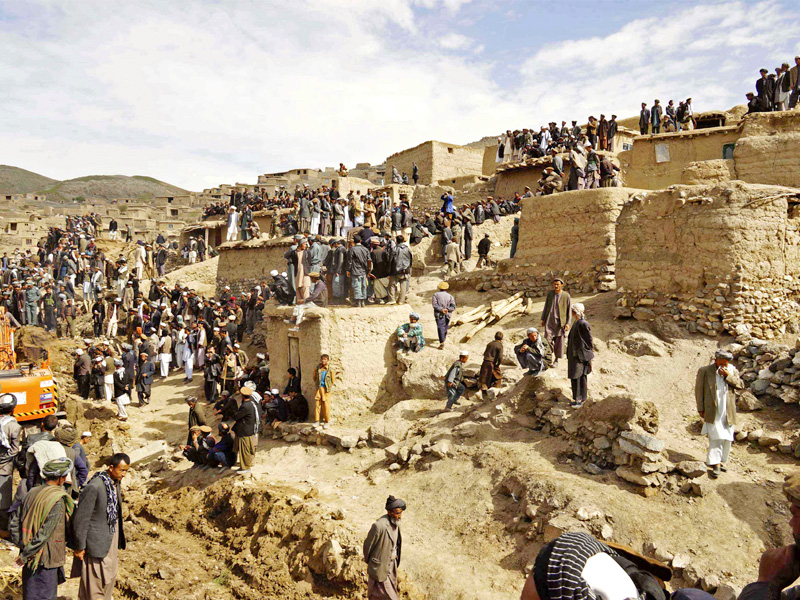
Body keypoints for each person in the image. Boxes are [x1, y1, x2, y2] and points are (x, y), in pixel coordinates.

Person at [11, 458, 74, 600]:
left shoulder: (31, 492)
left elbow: (14, 522)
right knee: (45, 595)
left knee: (30, 593)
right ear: (61, 478)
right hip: (47, 557)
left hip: (29, 555)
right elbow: (45, 533)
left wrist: (23, 546)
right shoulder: (57, 499)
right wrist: (26, 553)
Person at [73, 453, 130, 600]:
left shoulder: (114, 482)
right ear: (111, 468)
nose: (124, 474)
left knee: (109, 577)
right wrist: (79, 546)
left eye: (126, 471)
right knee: (95, 582)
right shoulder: (95, 486)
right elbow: (82, 518)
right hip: (95, 543)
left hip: (109, 538)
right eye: (122, 470)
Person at [695, 349, 743, 478]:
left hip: (728, 410)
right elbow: (699, 390)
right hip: (712, 409)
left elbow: (740, 385)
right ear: (715, 360)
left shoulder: (732, 370)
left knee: (727, 436)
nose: (723, 365)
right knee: (716, 436)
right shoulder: (705, 371)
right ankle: (714, 463)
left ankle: (723, 461)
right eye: (721, 363)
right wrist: (700, 407)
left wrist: (728, 376)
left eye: (725, 363)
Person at [363, 495, 406, 600]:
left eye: (400, 513)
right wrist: (373, 563)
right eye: (397, 513)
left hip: (392, 566)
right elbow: (367, 546)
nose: (399, 516)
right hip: (380, 568)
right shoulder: (379, 526)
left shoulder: (396, 523)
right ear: (389, 512)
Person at [0, 393, 21, 537]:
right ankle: (3, 530)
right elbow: (14, 450)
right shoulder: (14, 426)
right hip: (4, 468)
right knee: (3, 501)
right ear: (13, 409)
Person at [566, 303, 593, 407]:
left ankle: (581, 400)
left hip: (580, 356)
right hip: (574, 355)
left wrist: (586, 354)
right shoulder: (576, 322)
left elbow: (589, 340)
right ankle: (576, 398)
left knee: (580, 376)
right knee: (574, 376)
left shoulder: (583, 324)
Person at [540, 278, 571, 367]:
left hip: (560, 322)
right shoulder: (550, 294)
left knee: (559, 342)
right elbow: (546, 306)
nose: (556, 286)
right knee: (547, 340)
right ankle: (549, 358)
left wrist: (568, 323)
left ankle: (556, 359)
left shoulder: (566, 296)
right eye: (554, 284)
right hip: (549, 321)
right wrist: (543, 318)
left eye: (558, 284)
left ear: (561, 285)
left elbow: (569, 310)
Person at [232, 387, 260, 475]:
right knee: (244, 449)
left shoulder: (245, 406)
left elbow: (237, 416)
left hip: (245, 431)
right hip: (248, 430)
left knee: (244, 450)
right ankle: (243, 466)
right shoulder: (251, 404)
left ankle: (245, 467)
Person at [478, 331, 503, 398]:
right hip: (492, 363)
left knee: (484, 378)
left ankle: (483, 393)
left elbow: (485, 353)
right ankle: (495, 392)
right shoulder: (499, 345)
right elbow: (500, 357)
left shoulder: (489, 344)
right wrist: (497, 365)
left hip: (485, 361)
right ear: (502, 339)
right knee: (498, 377)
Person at [313, 354, 335, 427]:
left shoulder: (330, 370)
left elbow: (332, 380)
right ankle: (317, 421)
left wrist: (327, 387)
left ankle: (326, 421)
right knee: (317, 405)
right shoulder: (317, 368)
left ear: (328, 360)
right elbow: (314, 377)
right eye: (322, 359)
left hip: (326, 390)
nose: (323, 361)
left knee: (326, 405)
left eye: (325, 359)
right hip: (319, 389)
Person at [432, 281, 456, 349]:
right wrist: (447, 309)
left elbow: (435, 305)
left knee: (440, 327)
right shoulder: (450, 296)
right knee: (445, 326)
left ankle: (442, 342)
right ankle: (443, 338)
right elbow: (453, 306)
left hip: (439, 314)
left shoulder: (435, 295)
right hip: (448, 314)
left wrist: (441, 309)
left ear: (439, 288)